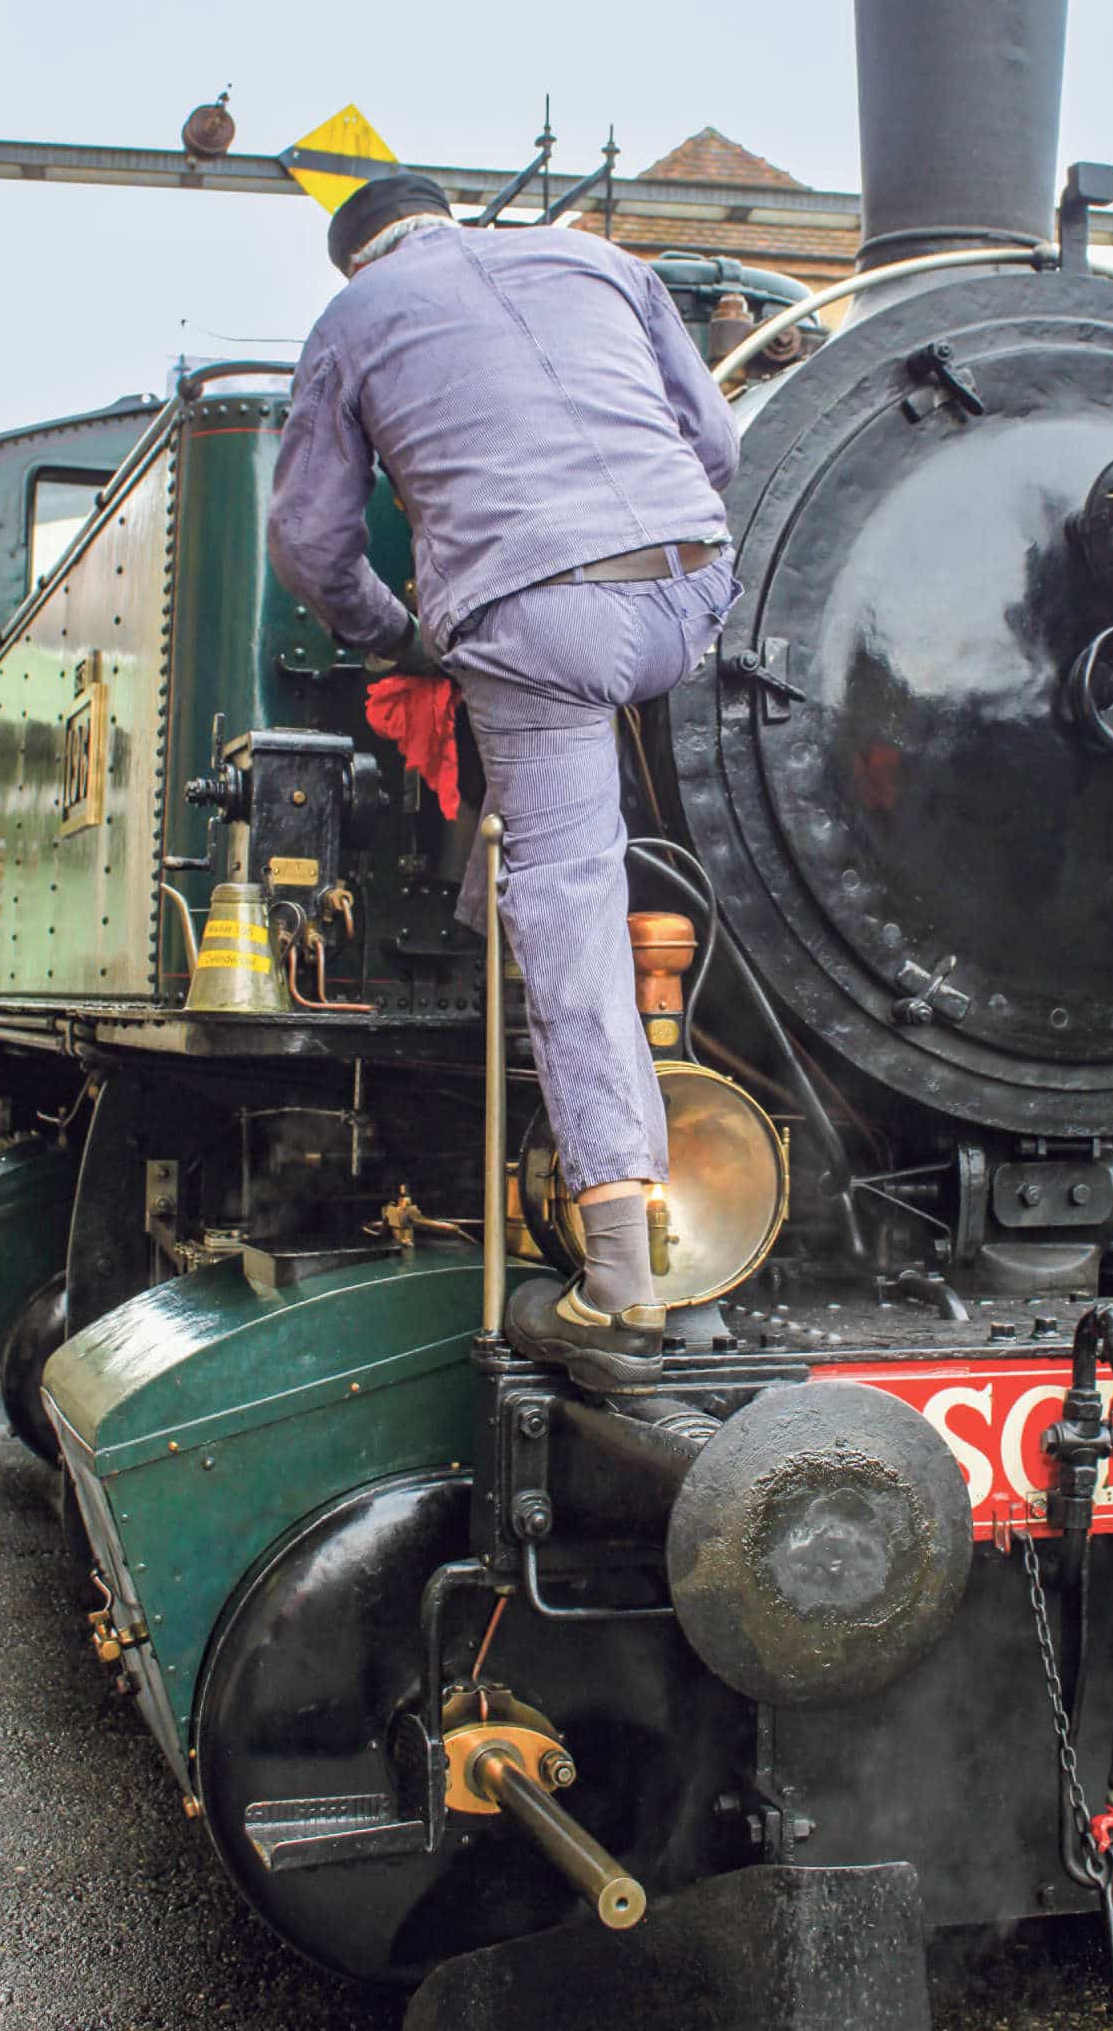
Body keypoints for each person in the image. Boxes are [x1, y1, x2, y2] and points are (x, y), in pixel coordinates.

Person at [268, 172, 741, 1391]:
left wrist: (401, 635)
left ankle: (622, 1276)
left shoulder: (355, 322)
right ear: (451, 217)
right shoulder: (596, 259)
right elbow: (719, 444)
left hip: (539, 618)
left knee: (568, 894)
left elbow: (312, 543)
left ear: (358, 258)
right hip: (692, 583)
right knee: (584, 813)